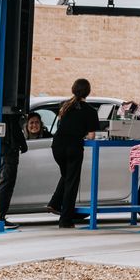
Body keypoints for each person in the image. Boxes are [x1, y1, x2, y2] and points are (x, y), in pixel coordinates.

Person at [47, 79, 96, 227]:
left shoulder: (64, 106)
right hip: (73, 148)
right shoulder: (90, 111)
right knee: (72, 183)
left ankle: (54, 203)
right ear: (88, 92)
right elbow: (91, 136)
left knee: (67, 176)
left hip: (57, 147)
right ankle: (65, 220)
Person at [0, 110, 28, 220]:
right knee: (6, 184)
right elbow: (14, 127)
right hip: (9, 149)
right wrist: (23, 144)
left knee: (4, 183)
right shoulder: (10, 109)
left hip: (4, 149)